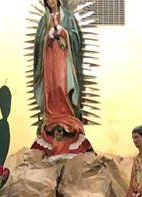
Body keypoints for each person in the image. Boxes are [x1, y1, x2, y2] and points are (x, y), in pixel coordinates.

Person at [30, 0, 93, 157]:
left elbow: (75, 38)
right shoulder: (43, 20)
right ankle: (51, 115)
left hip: (63, 60)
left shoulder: (69, 17)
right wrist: (46, 37)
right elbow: (38, 43)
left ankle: (66, 115)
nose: (50, 2)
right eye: (47, 0)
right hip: (49, 59)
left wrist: (62, 32)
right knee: (50, 88)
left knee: (61, 87)